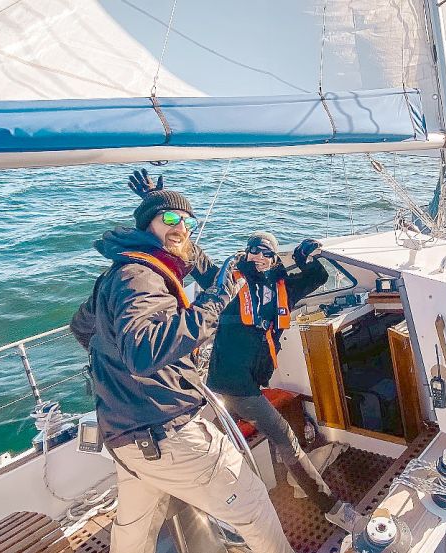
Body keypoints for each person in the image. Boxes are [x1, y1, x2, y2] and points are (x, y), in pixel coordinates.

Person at [70, 170, 295, 553]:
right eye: (171, 220)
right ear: (147, 225)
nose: (182, 229)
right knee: (253, 507)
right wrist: (216, 299)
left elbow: (82, 328)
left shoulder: (120, 272)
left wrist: (162, 201)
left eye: (188, 222)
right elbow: (144, 352)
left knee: (135, 533)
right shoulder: (140, 277)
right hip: (168, 433)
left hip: (126, 436)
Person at [206, 231, 360, 532]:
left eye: (267, 253)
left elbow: (318, 276)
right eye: (254, 251)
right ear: (245, 253)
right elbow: (195, 260)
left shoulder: (282, 288)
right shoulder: (230, 284)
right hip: (232, 383)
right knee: (285, 437)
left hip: (248, 382)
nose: (260, 258)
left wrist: (302, 259)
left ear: (275, 258)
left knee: (227, 436)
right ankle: (331, 507)